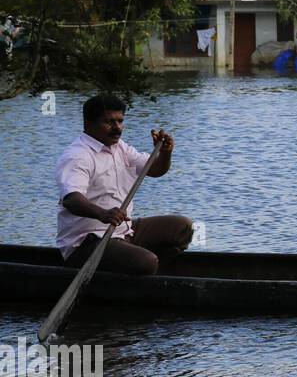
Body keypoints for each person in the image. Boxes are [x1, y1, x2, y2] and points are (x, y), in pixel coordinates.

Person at [55, 94, 193, 276]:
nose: (117, 128)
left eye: (120, 121)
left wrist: (165, 153)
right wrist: (103, 214)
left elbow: (156, 170)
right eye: (109, 122)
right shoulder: (78, 156)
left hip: (123, 232)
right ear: (88, 123)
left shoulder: (120, 147)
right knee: (145, 261)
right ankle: (143, 270)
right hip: (87, 243)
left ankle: (152, 271)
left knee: (182, 227)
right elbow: (72, 200)